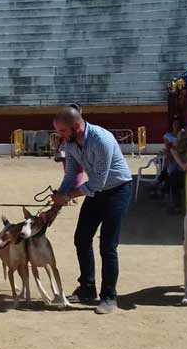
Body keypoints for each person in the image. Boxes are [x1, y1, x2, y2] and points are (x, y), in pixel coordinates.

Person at [50, 107, 133, 314]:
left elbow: (98, 181)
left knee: (107, 245)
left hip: (117, 191)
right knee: (82, 238)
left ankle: (109, 297)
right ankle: (87, 288)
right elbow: (71, 176)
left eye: (62, 131)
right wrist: (55, 205)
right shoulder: (70, 144)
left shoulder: (101, 139)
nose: (60, 136)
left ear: (76, 126)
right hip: (97, 192)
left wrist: (68, 196)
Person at [163, 117, 185, 213]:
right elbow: (169, 150)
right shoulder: (167, 135)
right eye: (175, 123)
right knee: (173, 180)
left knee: (175, 181)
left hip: (183, 161)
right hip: (173, 161)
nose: (176, 125)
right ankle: (175, 204)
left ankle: (177, 204)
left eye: (178, 123)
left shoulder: (185, 134)